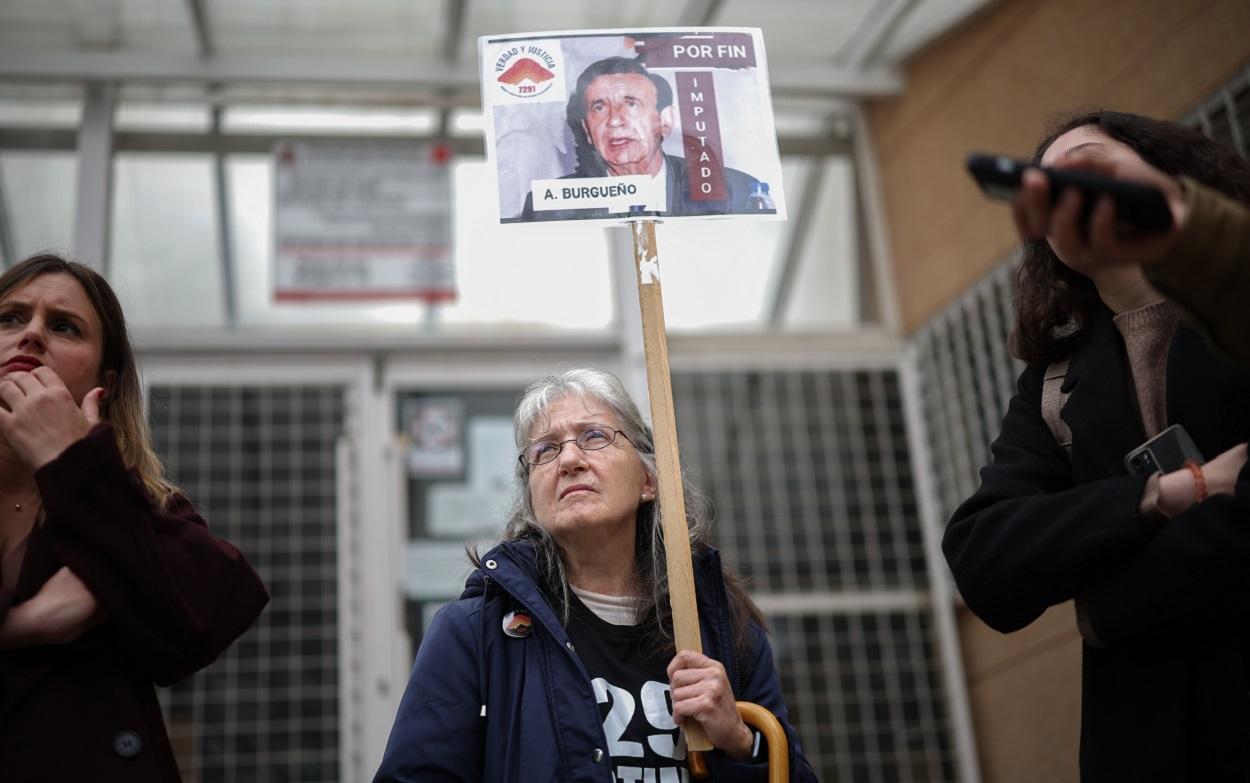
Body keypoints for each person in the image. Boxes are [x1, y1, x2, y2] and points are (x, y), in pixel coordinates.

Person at [944, 110, 1250, 781]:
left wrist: (1109, 606)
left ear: (1170, 176)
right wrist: (1170, 493)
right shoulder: (1051, 386)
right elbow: (982, 557)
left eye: (1088, 161)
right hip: (1146, 747)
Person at [375, 368, 816, 782]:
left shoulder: (721, 628)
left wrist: (740, 741)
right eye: (545, 450)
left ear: (648, 480)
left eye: (594, 436)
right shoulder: (475, 634)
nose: (569, 459)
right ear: (532, 499)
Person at [0, 253, 269, 781]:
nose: (30, 335)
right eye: (9, 317)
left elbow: (200, 626)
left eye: (63, 326)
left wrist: (70, 462)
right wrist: (22, 627)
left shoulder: (143, 507)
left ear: (107, 380)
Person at [1011, 140, 1250, 365]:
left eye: (1086, 167)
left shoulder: (1225, 297)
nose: (1074, 199)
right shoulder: (1048, 385)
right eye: (1054, 192)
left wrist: (1183, 223)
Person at [518, 57, 769, 221]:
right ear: (586, 129)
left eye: (632, 104)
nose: (615, 120)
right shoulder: (550, 206)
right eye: (599, 107)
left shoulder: (737, 190)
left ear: (665, 120)